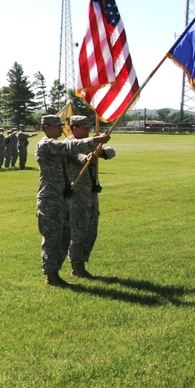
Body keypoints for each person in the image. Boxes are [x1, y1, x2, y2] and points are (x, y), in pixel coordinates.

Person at [35, 114, 110, 287]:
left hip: (63, 196)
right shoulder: (46, 144)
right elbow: (69, 146)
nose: (61, 129)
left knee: (65, 236)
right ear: (46, 127)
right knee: (53, 236)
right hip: (50, 198)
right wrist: (94, 140)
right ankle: (51, 276)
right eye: (57, 126)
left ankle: (56, 273)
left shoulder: (56, 145)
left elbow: (73, 152)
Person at [66, 115, 116, 279]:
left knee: (91, 231)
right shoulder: (69, 144)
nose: (88, 130)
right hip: (77, 194)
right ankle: (76, 265)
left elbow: (111, 152)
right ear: (74, 128)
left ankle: (83, 261)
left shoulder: (91, 143)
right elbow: (76, 156)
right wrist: (86, 158)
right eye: (84, 127)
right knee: (78, 231)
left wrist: (99, 152)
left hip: (91, 192)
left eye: (88, 126)